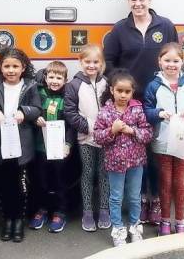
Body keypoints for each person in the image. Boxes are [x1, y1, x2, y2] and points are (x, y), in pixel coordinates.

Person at [103, 0, 178, 225]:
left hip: (158, 101)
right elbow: (109, 62)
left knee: (156, 155)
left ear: (149, 0)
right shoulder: (119, 29)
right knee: (138, 156)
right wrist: (120, 84)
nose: (138, 4)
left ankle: (155, 201)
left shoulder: (165, 25)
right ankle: (141, 201)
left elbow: (174, 56)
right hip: (131, 103)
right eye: (133, 0)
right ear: (128, 1)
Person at [144, 43, 184, 235]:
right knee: (165, 182)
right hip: (162, 143)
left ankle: (180, 221)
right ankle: (164, 221)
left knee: (179, 182)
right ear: (159, 61)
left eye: (176, 61)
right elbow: (146, 111)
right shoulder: (153, 86)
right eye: (167, 60)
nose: (171, 64)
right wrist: (158, 113)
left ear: (183, 62)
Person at [0, 48, 42, 243]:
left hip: (22, 144)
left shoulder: (31, 86)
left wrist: (24, 112)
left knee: (20, 185)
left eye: (15, 66)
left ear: (23, 67)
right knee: (5, 184)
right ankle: (7, 220)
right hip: (2, 142)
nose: (11, 70)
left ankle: (18, 221)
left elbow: (37, 108)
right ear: (0, 67)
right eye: (6, 66)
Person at [94, 70, 152, 247]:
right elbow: (97, 136)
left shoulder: (138, 109)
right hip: (114, 162)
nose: (123, 95)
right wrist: (112, 130)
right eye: (119, 90)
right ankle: (118, 230)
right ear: (112, 90)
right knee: (116, 197)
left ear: (132, 91)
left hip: (136, 161)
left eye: (127, 91)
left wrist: (132, 130)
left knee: (134, 197)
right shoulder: (105, 112)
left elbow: (148, 133)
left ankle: (135, 227)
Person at [64, 44, 110, 232]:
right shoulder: (74, 85)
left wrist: (106, 129)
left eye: (95, 62)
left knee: (104, 174)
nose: (91, 65)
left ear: (101, 63)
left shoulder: (107, 83)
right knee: (88, 173)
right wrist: (89, 128)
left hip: (106, 139)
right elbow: (70, 112)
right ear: (80, 62)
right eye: (87, 62)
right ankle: (88, 212)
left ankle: (104, 209)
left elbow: (112, 108)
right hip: (85, 139)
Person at [29, 61, 73, 233]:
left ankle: (60, 211)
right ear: (45, 78)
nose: (55, 81)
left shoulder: (67, 97)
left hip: (60, 149)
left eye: (59, 77)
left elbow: (71, 125)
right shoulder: (38, 93)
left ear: (65, 79)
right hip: (40, 147)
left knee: (59, 181)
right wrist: (35, 118)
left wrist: (68, 144)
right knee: (40, 180)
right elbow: (30, 111)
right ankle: (42, 209)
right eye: (51, 77)